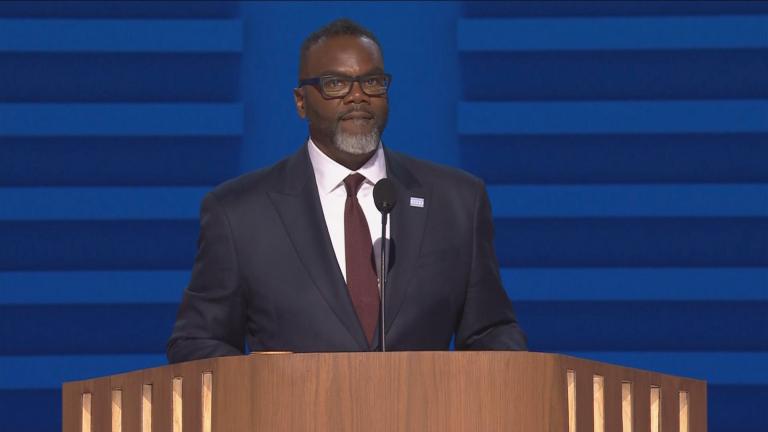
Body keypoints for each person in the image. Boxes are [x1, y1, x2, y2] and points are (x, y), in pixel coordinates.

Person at [167, 18, 526, 363]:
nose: (358, 97)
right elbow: (197, 342)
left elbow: (491, 332)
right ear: (301, 102)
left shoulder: (457, 202)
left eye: (372, 83)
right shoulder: (238, 213)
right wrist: (269, 386)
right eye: (335, 84)